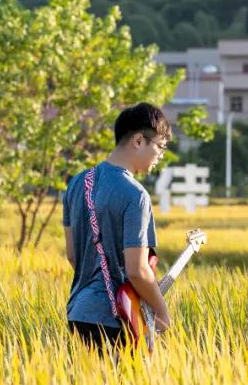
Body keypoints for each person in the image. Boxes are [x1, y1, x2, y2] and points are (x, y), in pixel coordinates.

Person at [62, 103, 172, 350]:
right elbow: (137, 271)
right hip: (116, 318)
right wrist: (162, 313)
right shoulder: (135, 195)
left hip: (78, 312)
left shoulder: (77, 183)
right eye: (160, 146)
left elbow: (72, 255)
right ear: (138, 140)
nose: (160, 156)